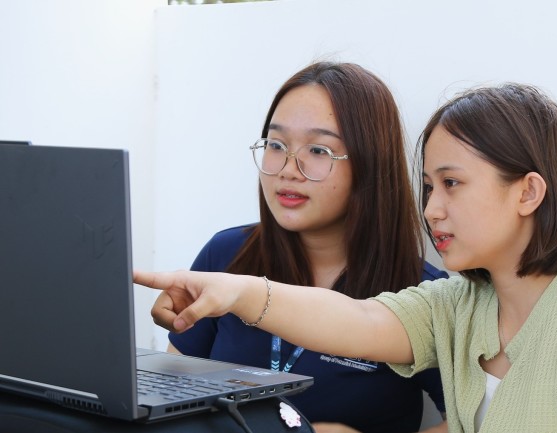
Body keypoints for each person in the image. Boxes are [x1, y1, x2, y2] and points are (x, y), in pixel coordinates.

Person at [137, 83, 557, 432]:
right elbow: (361, 317)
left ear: (528, 193)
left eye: (452, 185)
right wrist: (237, 290)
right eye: (427, 187)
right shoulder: (458, 304)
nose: (432, 209)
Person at [162, 61, 448, 433]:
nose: (288, 169)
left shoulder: (422, 294)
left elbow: (477, 421)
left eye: (318, 150)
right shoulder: (227, 254)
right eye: (277, 144)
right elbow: (169, 395)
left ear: (370, 163)